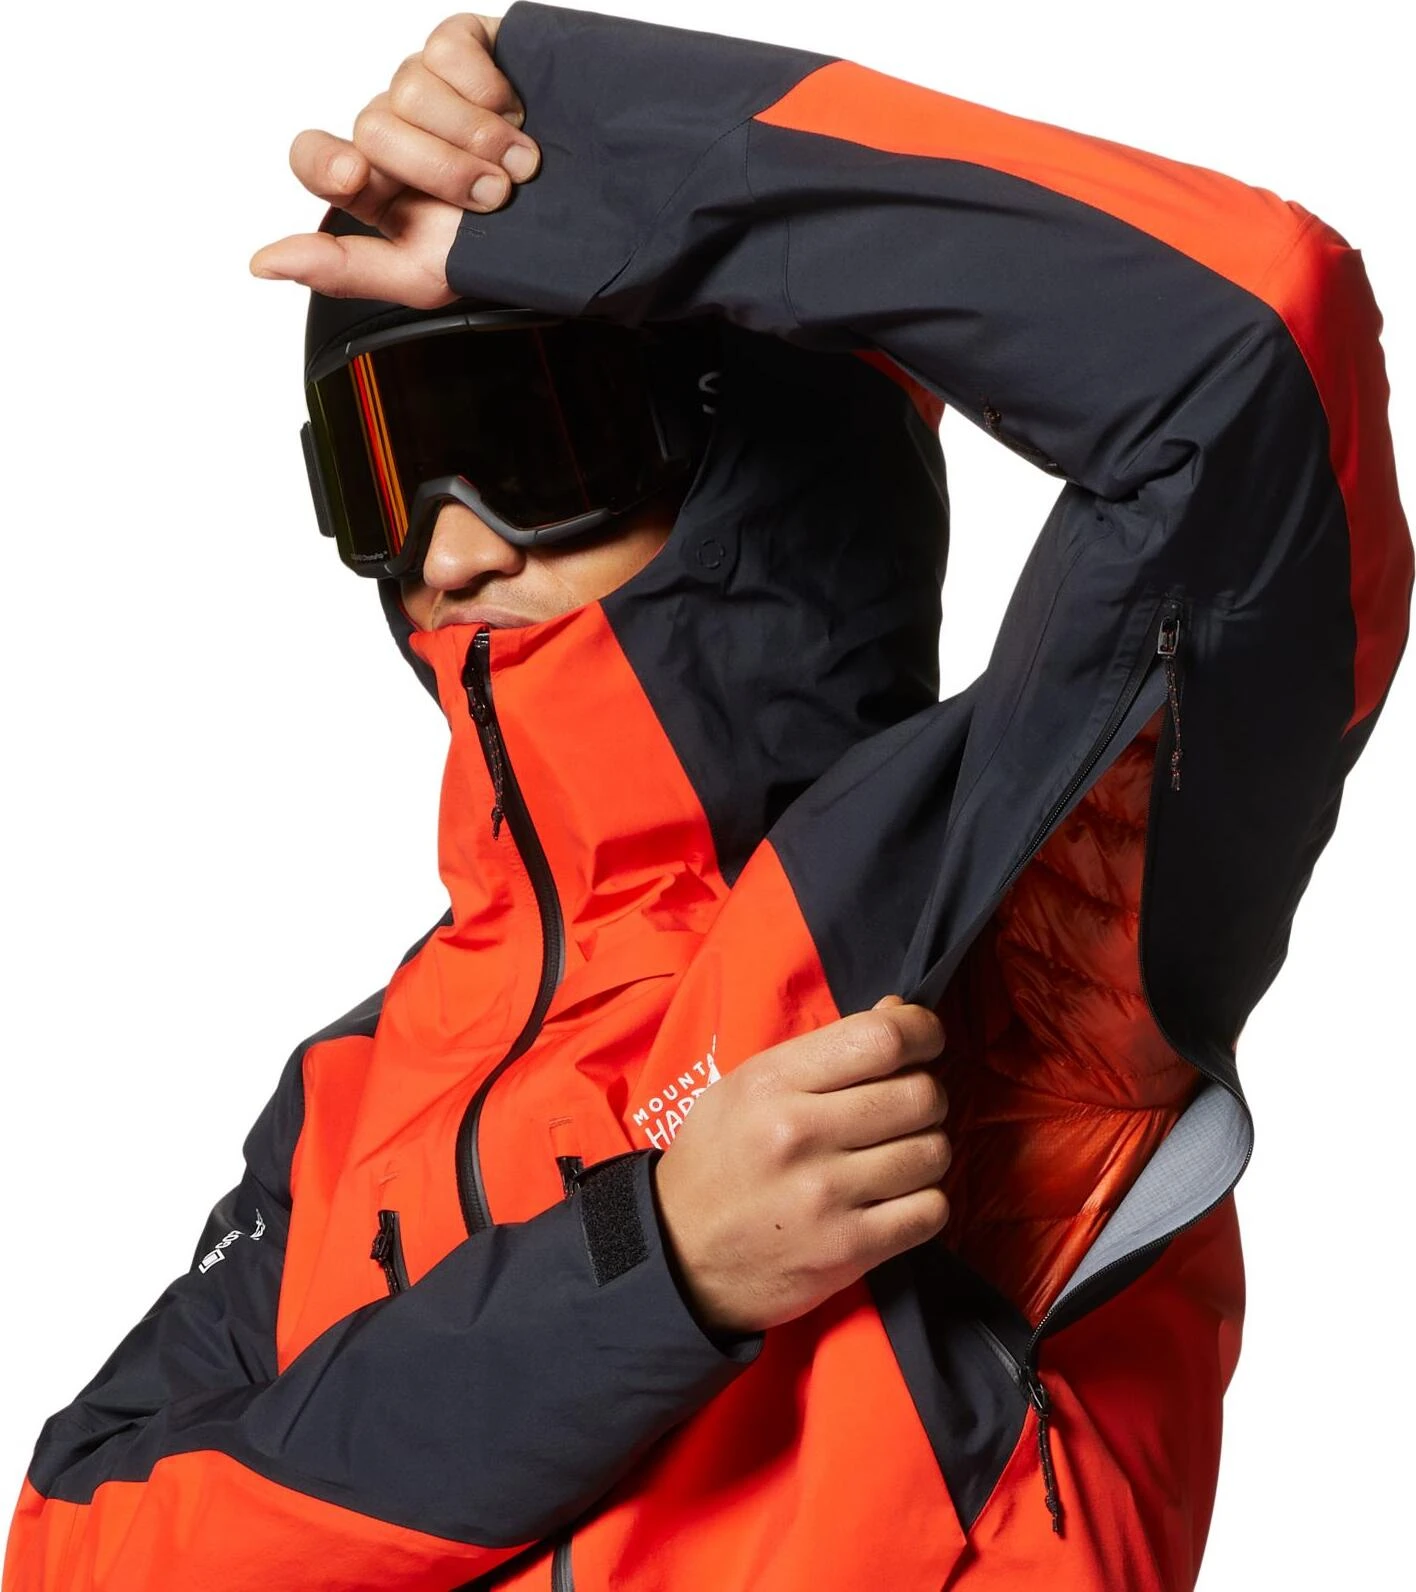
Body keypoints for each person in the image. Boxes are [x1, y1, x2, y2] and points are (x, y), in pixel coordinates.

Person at [4, 6, 1410, 1591]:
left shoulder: (995, 900)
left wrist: (608, 158)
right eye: (385, 471)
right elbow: (69, 1553)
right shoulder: (352, 1084)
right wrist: (655, 1260)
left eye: (524, 441)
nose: (448, 553)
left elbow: (1252, 351)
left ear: (769, 448)